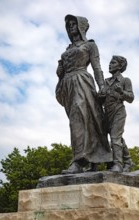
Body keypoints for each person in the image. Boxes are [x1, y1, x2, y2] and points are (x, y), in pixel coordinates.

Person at [55, 14, 112, 174]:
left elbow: (97, 67)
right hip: (67, 85)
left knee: (80, 120)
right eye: (69, 25)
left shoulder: (90, 45)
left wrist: (102, 86)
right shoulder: (68, 48)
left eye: (74, 24)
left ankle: (79, 161)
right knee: (82, 120)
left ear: (82, 26)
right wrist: (59, 74)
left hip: (82, 81)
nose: (71, 27)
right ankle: (93, 159)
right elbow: (63, 70)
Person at [99, 55, 134, 172]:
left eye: (113, 63)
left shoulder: (125, 80)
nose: (110, 64)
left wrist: (121, 92)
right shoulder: (106, 81)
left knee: (115, 138)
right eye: (110, 62)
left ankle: (118, 164)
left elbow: (131, 98)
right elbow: (100, 100)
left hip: (119, 111)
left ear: (120, 66)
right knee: (116, 138)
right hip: (107, 113)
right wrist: (100, 96)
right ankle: (128, 161)